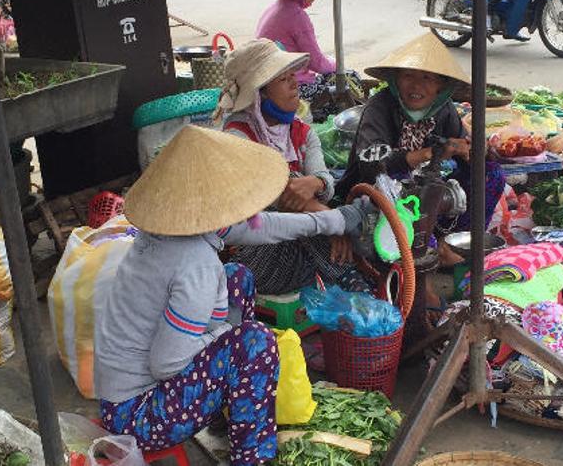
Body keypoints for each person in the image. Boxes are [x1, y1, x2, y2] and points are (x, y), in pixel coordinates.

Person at [95, 125, 372, 465]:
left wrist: (334, 220)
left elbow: (264, 226)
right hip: (139, 417)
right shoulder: (193, 263)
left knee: (236, 277)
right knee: (254, 343)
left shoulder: (174, 228)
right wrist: (225, 334)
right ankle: (251, 456)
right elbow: (167, 364)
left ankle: (230, 405)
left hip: (125, 398)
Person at [337, 33, 506, 297]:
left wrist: (473, 151)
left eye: (427, 78)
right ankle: (421, 276)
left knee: (490, 175)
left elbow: (466, 145)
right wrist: (430, 152)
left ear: (441, 85)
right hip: (377, 197)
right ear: (395, 80)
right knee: (409, 188)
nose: (416, 85)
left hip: (424, 199)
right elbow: (373, 164)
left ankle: (456, 246)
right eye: (408, 76)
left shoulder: (444, 109)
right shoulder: (379, 107)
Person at [215, 38, 370, 295]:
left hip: (302, 251)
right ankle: (351, 279)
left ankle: (348, 277)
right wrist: (335, 225)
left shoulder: (303, 133)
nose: (294, 83)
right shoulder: (238, 138)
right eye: (283, 79)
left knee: (314, 191)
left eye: (292, 75)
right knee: (292, 182)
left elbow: (324, 180)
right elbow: (281, 198)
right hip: (257, 259)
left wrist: (318, 182)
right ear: (260, 92)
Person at [255, 0, 357, 107]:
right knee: (351, 77)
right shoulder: (296, 16)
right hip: (292, 87)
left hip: (268, 83)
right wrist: (337, 64)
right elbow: (317, 64)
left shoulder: (274, 8)